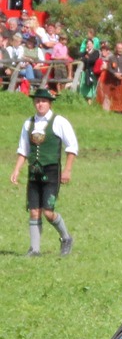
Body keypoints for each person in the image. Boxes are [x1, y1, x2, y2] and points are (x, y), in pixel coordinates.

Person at [10, 87, 75, 257]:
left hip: (52, 170)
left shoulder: (59, 121)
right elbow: (23, 149)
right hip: (34, 172)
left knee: (48, 212)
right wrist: (17, 170)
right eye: (37, 101)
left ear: (50, 104)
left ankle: (66, 237)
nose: (40, 104)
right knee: (33, 210)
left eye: (44, 101)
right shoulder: (28, 123)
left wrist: (67, 170)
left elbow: (72, 147)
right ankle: (35, 249)